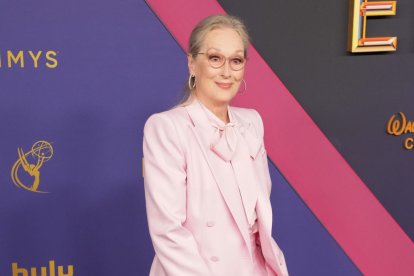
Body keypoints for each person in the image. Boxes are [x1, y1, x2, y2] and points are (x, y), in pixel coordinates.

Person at [143, 14, 289, 276]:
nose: (226, 72)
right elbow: (169, 231)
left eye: (236, 61)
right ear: (192, 63)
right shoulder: (166, 128)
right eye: (214, 58)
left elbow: (257, 220)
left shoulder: (252, 122)